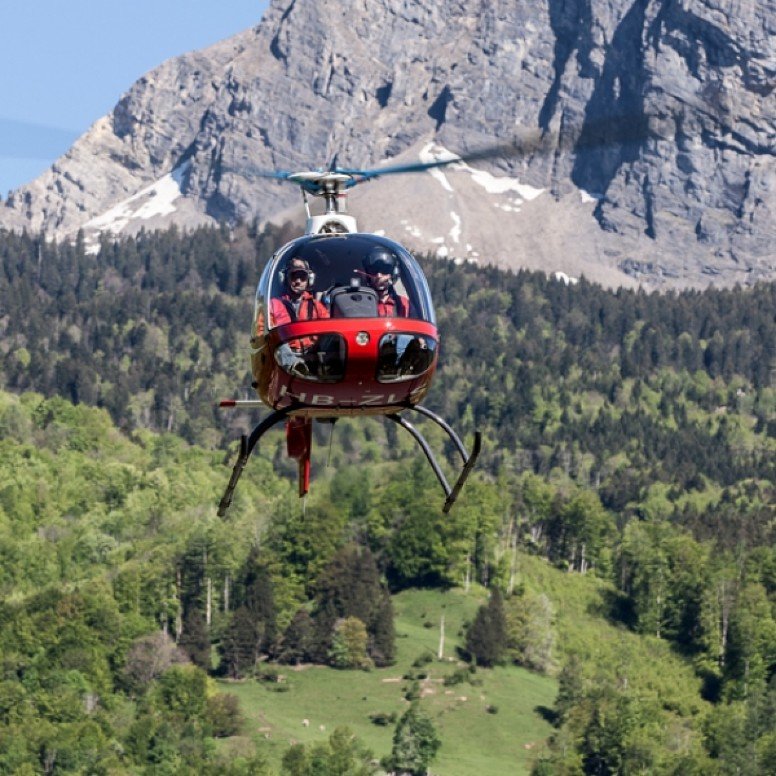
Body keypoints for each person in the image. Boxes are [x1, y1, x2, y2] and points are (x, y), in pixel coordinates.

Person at [270, 257, 328, 374]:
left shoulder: (316, 306)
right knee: (275, 338)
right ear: (285, 278)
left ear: (309, 280)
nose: (298, 281)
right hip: (287, 355)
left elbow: (329, 326)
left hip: (313, 353)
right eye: (294, 276)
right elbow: (264, 330)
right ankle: (295, 366)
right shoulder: (274, 304)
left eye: (302, 277)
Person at [362, 247, 410, 317]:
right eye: (373, 270)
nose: (379, 275)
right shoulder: (360, 304)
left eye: (385, 270)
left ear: (393, 273)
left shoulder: (404, 305)